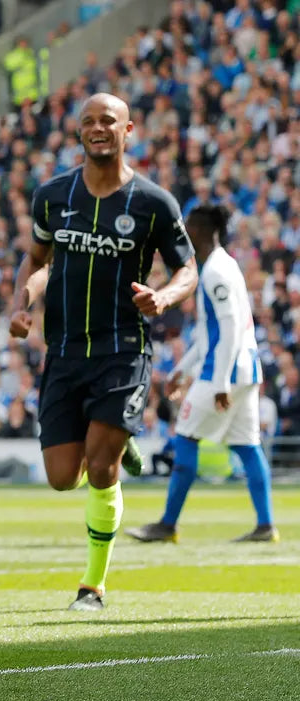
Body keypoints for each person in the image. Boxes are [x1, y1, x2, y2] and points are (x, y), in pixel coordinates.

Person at [10, 93, 197, 611]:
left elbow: (188, 268)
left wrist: (164, 296)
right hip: (65, 353)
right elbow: (37, 260)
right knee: (61, 477)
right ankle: (116, 438)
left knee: (100, 469)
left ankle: (92, 587)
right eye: (89, 121)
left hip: (122, 351)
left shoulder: (153, 202)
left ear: (128, 129)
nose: (98, 128)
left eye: (108, 121)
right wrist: (22, 302)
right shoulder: (52, 196)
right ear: (78, 133)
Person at [127, 204, 278, 544]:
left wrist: (220, 382)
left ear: (203, 231)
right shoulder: (222, 266)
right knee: (247, 445)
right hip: (244, 370)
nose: (185, 233)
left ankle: (167, 524)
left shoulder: (216, 272)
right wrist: (182, 369)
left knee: (186, 438)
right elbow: (211, 335)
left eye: (189, 227)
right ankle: (265, 525)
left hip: (223, 374)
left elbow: (228, 329)